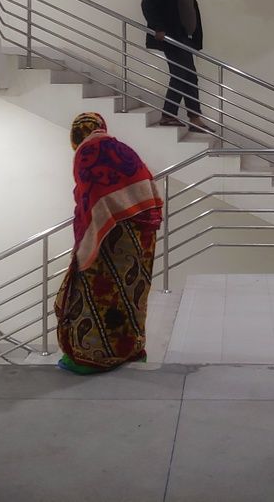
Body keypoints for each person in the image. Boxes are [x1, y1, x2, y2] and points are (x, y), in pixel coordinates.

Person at [54, 113, 164, 374]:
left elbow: (89, 203)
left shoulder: (86, 153)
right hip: (140, 238)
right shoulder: (122, 149)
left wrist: (84, 242)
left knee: (95, 296)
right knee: (131, 294)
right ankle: (131, 350)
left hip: (107, 240)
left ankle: (92, 357)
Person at [141, 0, 210, 133]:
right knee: (180, 75)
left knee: (190, 77)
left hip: (184, 39)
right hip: (172, 38)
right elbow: (147, 4)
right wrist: (158, 28)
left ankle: (194, 118)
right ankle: (169, 115)